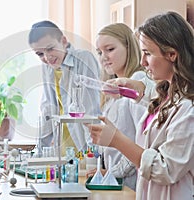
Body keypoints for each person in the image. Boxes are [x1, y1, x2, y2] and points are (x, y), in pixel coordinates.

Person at [86, 11, 194, 200]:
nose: (143, 62)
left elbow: (164, 170)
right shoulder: (167, 96)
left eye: (148, 54)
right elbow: (157, 109)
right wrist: (136, 90)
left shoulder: (188, 108)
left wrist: (117, 140)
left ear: (172, 54)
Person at [86, 23, 156, 191]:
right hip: (116, 182)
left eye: (110, 49)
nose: (104, 57)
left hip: (130, 184)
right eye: (100, 52)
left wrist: (113, 172)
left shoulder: (138, 84)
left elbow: (144, 143)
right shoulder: (112, 93)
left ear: (129, 47)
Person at [28, 20, 101, 155]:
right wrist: (39, 154)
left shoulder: (84, 59)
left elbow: (90, 112)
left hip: (84, 147)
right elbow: (48, 109)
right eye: (40, 54)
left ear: (64, 41)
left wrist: (93, 156)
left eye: (50, 48)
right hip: (63, 150)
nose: (47, 57)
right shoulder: (48, 67)